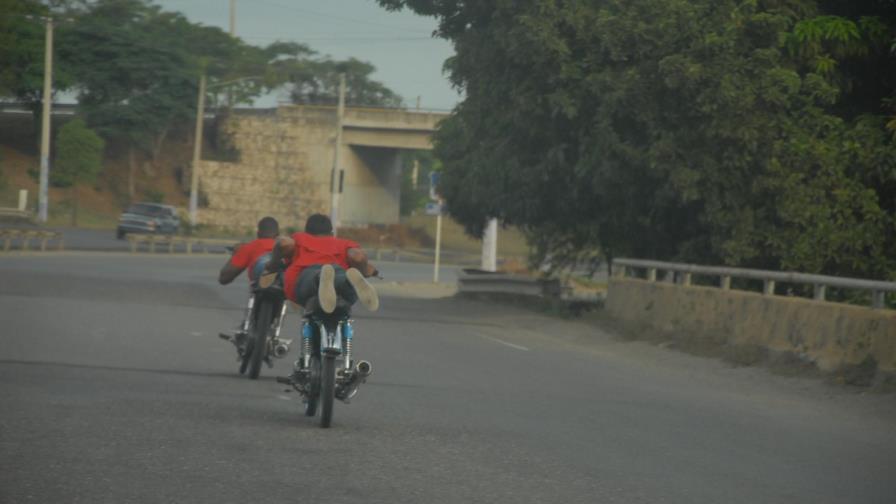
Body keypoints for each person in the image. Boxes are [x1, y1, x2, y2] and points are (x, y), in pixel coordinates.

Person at [263, 213, 379, 313]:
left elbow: (283, 243)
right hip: (338, 271)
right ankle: (351, 281)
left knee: (315, 278)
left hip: (307, 273)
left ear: (307, 231)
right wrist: (364, 271)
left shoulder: (301, 238)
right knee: (344, 281)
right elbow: (358, 256)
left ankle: (321, 279)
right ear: (331, 233)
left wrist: (272, 264)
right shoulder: (343, 244)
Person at [218, 216, 279, 285]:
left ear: (258, 234)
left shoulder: (249, 247)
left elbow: (223, 278)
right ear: (277, 234)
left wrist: (235, 254)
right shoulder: (287, 247)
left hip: (260, 292)